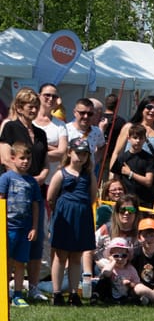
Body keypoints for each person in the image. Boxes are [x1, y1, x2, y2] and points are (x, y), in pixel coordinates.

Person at [1, 87, 50, 301]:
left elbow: (46, 162)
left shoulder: (40, 133)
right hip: (14, 194)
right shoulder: (10, 127)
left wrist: (39, 178)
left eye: (36, 106)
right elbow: (4, 158)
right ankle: (8, 289)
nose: (34, 109)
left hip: (36, 192)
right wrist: (25, 181)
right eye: (31, 106)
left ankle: (33, 287)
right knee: (10, 247)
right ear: (20, 107)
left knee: (36, 241)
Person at [47, 138, 98, 306]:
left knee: (77, 256)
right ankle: (57, 293)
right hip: (64, 217)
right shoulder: (61, 173)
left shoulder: (88, 175)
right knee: (60, 255)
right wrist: (62, 209)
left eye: (85, 154)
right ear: (69, 152)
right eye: (78, 153)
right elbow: (51, 197)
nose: (81, 157)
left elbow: (92, 196)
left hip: (82, 217)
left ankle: (74, 293)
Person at [0, 143, 43, 306]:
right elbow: (1, 199)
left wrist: (34, 227)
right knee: (6, 261)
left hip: (25, 228)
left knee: (20, 262)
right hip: (8, 227)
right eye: (22, 158)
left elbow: (35, 204)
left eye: (28, 158)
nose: (25, 162)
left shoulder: (31, 181)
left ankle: (18, 294)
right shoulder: (6, 178)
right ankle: (4, 291)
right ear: (13, 158)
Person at [111, 124, 154, 206]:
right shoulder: (121, 158)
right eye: (135, 138)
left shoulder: (149, 159)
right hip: (126, 201)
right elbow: (116, 179)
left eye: (141, 138)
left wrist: (130, 173)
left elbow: (148, 181)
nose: (138, 141)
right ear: (129, 138)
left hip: (143, 201)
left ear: (145, 139)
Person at [95, 237, 140, 305]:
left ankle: (134, 300)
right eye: (116, 256)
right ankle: (97, 296)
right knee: (103, 279)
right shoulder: (109, 266)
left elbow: (137, 283)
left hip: (124, 294)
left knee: (133, 295)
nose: (120, 258)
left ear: (127, 257)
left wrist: (130, 284)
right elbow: (106, 274)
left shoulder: (130, 269)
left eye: (124, 256)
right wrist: (113, 262)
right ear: (110, 256)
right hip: (109, 293)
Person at [66, 98, 105, 174]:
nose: (86, 116)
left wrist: (95, 160)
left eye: (90, 114)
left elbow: (102, 146)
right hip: (67, 175)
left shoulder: (97, 132)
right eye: (82, 113)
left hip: (87, 175)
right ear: (74, 112)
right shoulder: (65, 130)